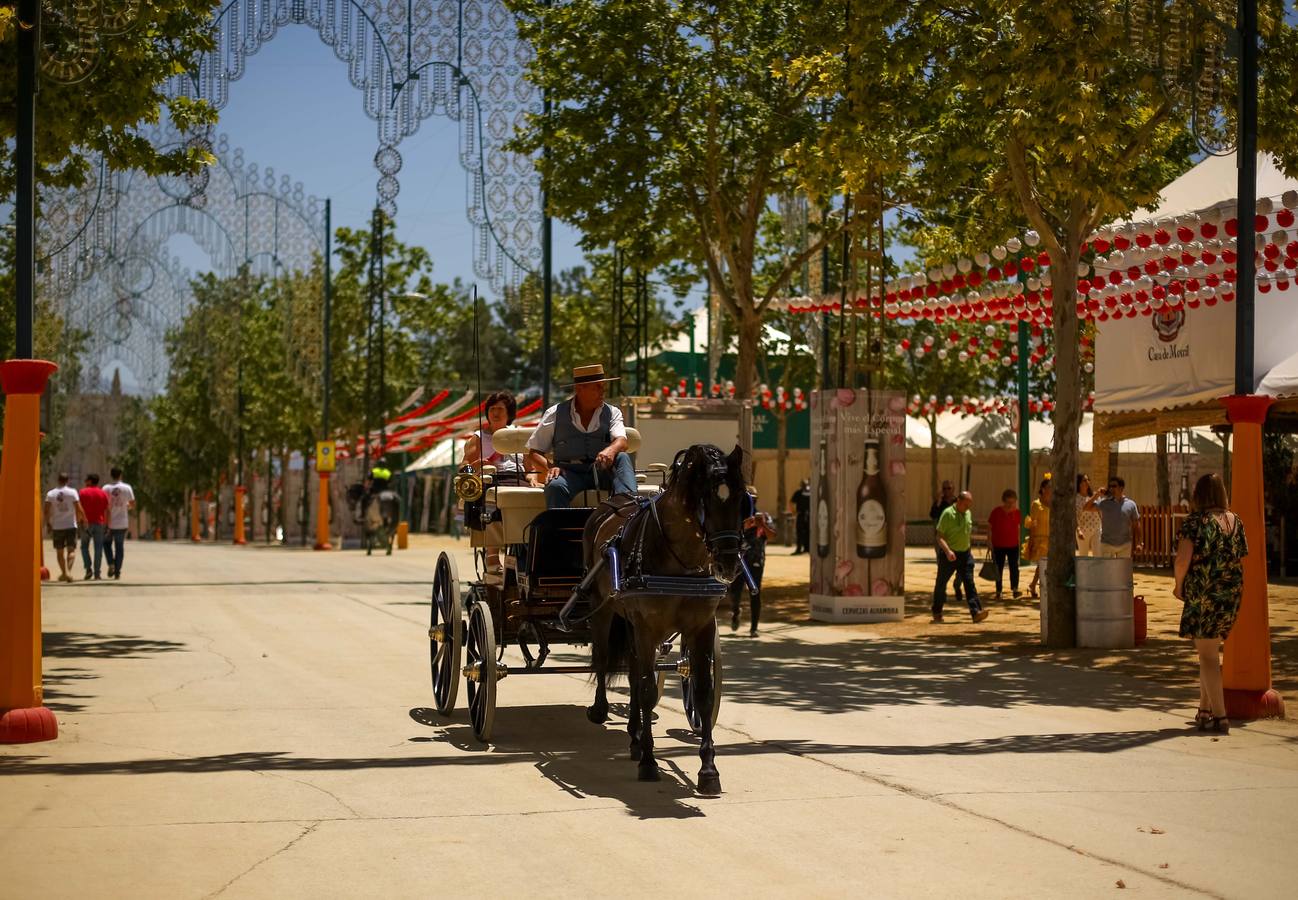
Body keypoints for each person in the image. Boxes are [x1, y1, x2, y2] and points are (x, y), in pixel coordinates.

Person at [1173, 473, 1248, 735]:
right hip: (1230, 592)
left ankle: (1220, 716)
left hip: (1203, 589)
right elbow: (1239, 555)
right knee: (1210, 651)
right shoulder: (1234, 520)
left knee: (1206, 655)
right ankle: (1204, 710)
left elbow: (1182, 560)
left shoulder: (1194, 522)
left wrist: (1178, 586)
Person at [526, 363, 636, 509]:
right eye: (597, 386)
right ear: (579, 389)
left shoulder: (612, 412)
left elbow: (622, 441)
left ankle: (628, 512)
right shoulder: (555, 413)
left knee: (622, 457)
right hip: (568, 473)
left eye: (603, 386)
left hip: (602, 472)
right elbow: (534, 452)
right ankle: (559, 530)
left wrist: (611, 450)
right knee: (555, 486)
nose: (602, 391)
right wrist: (551, 467)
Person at [933, 491, 989, 624]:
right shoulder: (947, 514)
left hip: (965, 554)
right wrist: (948, 551)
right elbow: (939, 536)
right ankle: (937, 611)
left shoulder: (968, 513)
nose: (967, 508)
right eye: (965, 505)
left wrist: (968, 549)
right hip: (949, 554)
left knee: (969, 583)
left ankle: (976, 612)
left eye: (969, 505)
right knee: (941, 584)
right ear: (958, 501)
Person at [730, 488, 775, 636]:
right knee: (734, 592)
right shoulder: (736, 517)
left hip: (756, 561)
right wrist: (743, 526)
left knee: (755, 592)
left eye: (753, 498)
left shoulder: (764, 517)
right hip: (738, 561)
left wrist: (762, 525)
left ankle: (754, 628)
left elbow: (772, 536)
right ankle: (736, 611)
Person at [464, 390, 528, 484]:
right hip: (489, 479)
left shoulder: (518, 434)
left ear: (509, 412)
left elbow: (530, 468)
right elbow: (463, 468)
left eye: (500, 409)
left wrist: (533, 479)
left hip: (518, 479)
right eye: (492, 409)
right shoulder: (479, 437)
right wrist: (474, 466)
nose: (495, 413)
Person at [1085, 475, 1142, 558]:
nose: (1111, 488)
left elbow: (1137, 524)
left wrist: (1139, 542)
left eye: (1114, 486)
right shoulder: (1104, 503)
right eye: (1110, 486)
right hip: (1106, 544)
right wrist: (1097, 494)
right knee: (1106, 571)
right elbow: (1086, 507)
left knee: (1122, 571)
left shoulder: (1131, 504)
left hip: (1124, 545)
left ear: (1121, 488)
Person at [44, 473, 85, 583]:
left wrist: (48, 523)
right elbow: (78, 507)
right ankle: (69, 571)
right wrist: (83, 519)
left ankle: (64, 573)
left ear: (58, 480)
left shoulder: (51, 494)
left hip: (57, 526)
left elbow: (46, 510)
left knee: (59, 551)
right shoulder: (72, 492)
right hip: (71, 525)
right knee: (71, 550)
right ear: (67, 480)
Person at [931, 479, 964, 605]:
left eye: (948, 488)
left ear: (953, 489)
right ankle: (942, 593)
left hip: (958, 538)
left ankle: (957, 585)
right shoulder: (939, 503)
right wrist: (939, 501)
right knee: (942, 567)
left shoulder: (958, 502)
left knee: (962, 565)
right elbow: (933, 515)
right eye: (944, 489)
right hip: (943, 538)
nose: (946, 491)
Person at [987, 489, 1022, 600]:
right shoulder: (996, 512)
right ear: (1003, 501)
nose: (1010, 505)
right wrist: (989, 542)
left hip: (1013, 545)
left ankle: (1015, 589)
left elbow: (1019, 528)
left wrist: (1019, 542)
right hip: (998, 545)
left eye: (1013, 502)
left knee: (1014, 567)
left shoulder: (1017, 513)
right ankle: (999, 590)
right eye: (1008, 502)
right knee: (998, 568)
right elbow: (989, 527)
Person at [102, 467, 136, 579]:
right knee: (119, 547)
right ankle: (117, 571)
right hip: (122, 522)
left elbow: (103, 505)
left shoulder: (106, 488)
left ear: (111, 475)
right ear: (121, 475)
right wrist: (127, 506)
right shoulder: (127, 488)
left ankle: (111, 563)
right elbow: (132, 504)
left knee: (106, 544)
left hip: (109, 523)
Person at [78, 473, 110, 581]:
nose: (85, 482)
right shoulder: (103, 493)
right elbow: (107, 510)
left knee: (84, 547)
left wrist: (79, 521)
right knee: (98, 548)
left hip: (86, 524)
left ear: (90, 481)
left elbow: (78, 508)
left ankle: (88, 569)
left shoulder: (82, 492)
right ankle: (97, 574)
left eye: (86, 480)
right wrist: (107, 524)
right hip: (99, 523)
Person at [1025, 478, 1052, 599]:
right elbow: (1032, 524)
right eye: (1048, 487)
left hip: (1051, 538)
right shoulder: (1036, 504)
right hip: (1040, 539)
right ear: (1042, 489)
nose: (1050, 489)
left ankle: (1033, 584)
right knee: (1043, 564)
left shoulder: (1053, 503)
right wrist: (1031, 540)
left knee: (1043, 565)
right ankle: (1039, 585)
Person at [1075, 473, 1101, 557]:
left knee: (1098, 555)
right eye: (1084, 480)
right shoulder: (1076, 498)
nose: (1087, 482)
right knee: (1083, 556)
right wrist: (1078, 530)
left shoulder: (1094, 495)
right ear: (1079, 483)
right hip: (1083, 530)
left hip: (1097, 529)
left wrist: (1094, 497)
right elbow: (1081, 510)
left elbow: (1098, 509)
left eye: (1088, 480)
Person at [790, 479, 811, 554]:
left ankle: (806, 549)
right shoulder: (799, 492)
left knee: (807, 532)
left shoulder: (809, 492)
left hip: (806, 515)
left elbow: (791, 503)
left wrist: (794, 512)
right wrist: (794, 512)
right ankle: (801, 549)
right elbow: (792, 502)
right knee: (801, 532)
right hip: (803, 515)